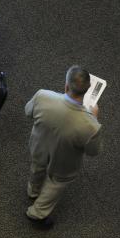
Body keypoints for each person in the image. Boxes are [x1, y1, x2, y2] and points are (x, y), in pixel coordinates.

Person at [24, 66, 102, 229]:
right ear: (87, 90)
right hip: (63, 163)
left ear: (66, 86)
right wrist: (93, 117)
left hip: (38, 147)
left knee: (36, 168)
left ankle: (33, 191)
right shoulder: (91, 125)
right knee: (54, 185)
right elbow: (93, 152)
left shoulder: (42, 96)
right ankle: (37, 213)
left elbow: (28, 111)